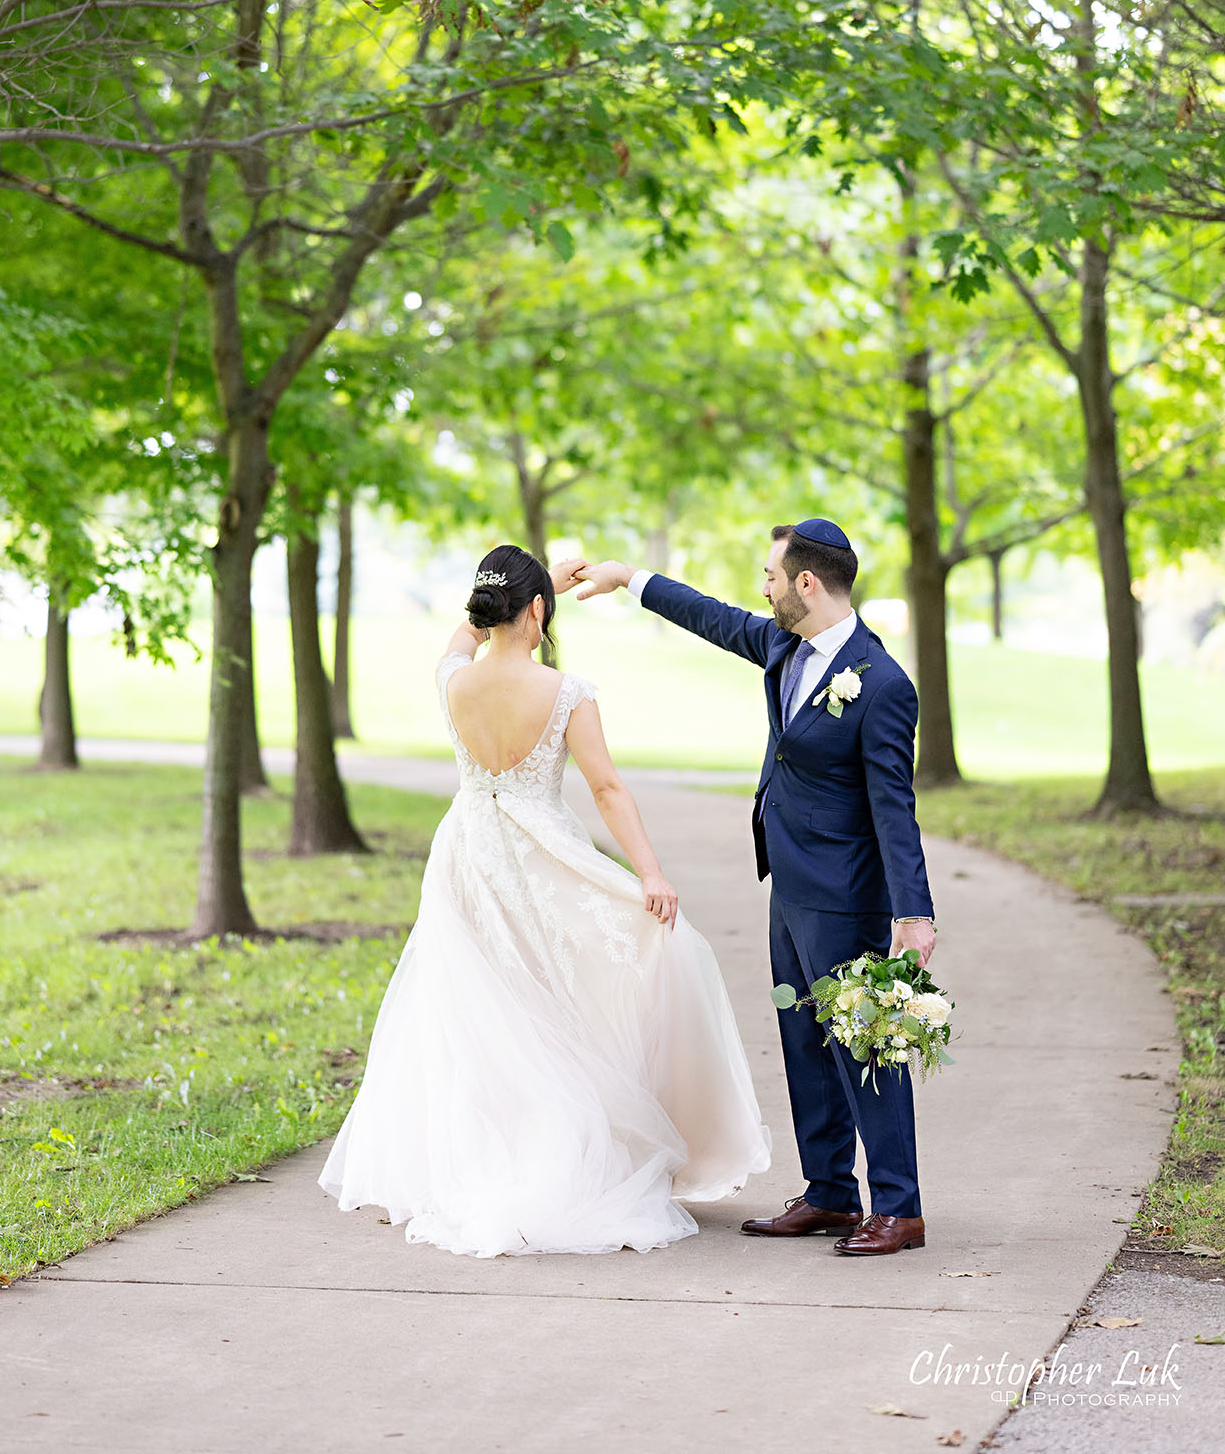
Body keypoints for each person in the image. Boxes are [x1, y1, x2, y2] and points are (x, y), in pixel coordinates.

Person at [318, 543, 770, 1257]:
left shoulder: (452, 683)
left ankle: (489, 1156)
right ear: (537, 612)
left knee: (484, 1005)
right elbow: (607, 789)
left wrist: (533, 590)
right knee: (572, 993)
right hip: (539, 855)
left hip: (466, 852)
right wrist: (650, 872)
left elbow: (459, 640)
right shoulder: (566, 691)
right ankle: (569, 1158)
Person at [578, 520, 936, 1257]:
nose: (762, 588)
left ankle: (899, 1208)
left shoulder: (883, 685)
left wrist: (914, 912)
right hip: (790, 889)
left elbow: (894, 808)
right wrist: (629, 579)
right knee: (804, 1042)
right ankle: (833, 1193)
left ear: (807, 583)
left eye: (771, 576)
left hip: (847, 897)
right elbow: (712, 617)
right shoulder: (784, 645)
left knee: (864, 1045)